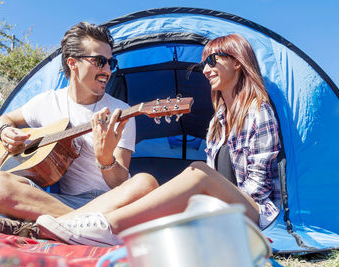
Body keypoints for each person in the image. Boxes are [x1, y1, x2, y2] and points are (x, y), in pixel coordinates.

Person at [35, 33, 282, 246]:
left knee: (198, 172)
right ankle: (66, 224)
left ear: (237, 62)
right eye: (204, 63)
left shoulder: (258, 111)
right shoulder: (218, 120)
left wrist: (208, 206)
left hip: (254, 213)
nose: (205, 69)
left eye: (212, 60)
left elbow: (257, 191)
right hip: (222, 208)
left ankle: (107, 227)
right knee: (170, 198)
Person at [0, 22, 159, 238]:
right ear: (73, 63)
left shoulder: (121, 112)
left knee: (145, 183)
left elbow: (118, 182)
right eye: (100, 61)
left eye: (111, 63)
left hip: (110, 202)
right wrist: (5, 130)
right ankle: (83, 227)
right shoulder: (47, 102)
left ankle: (45, 227)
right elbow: (7, 118)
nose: (107, 70)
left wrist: (106, 159)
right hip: (61, 203)